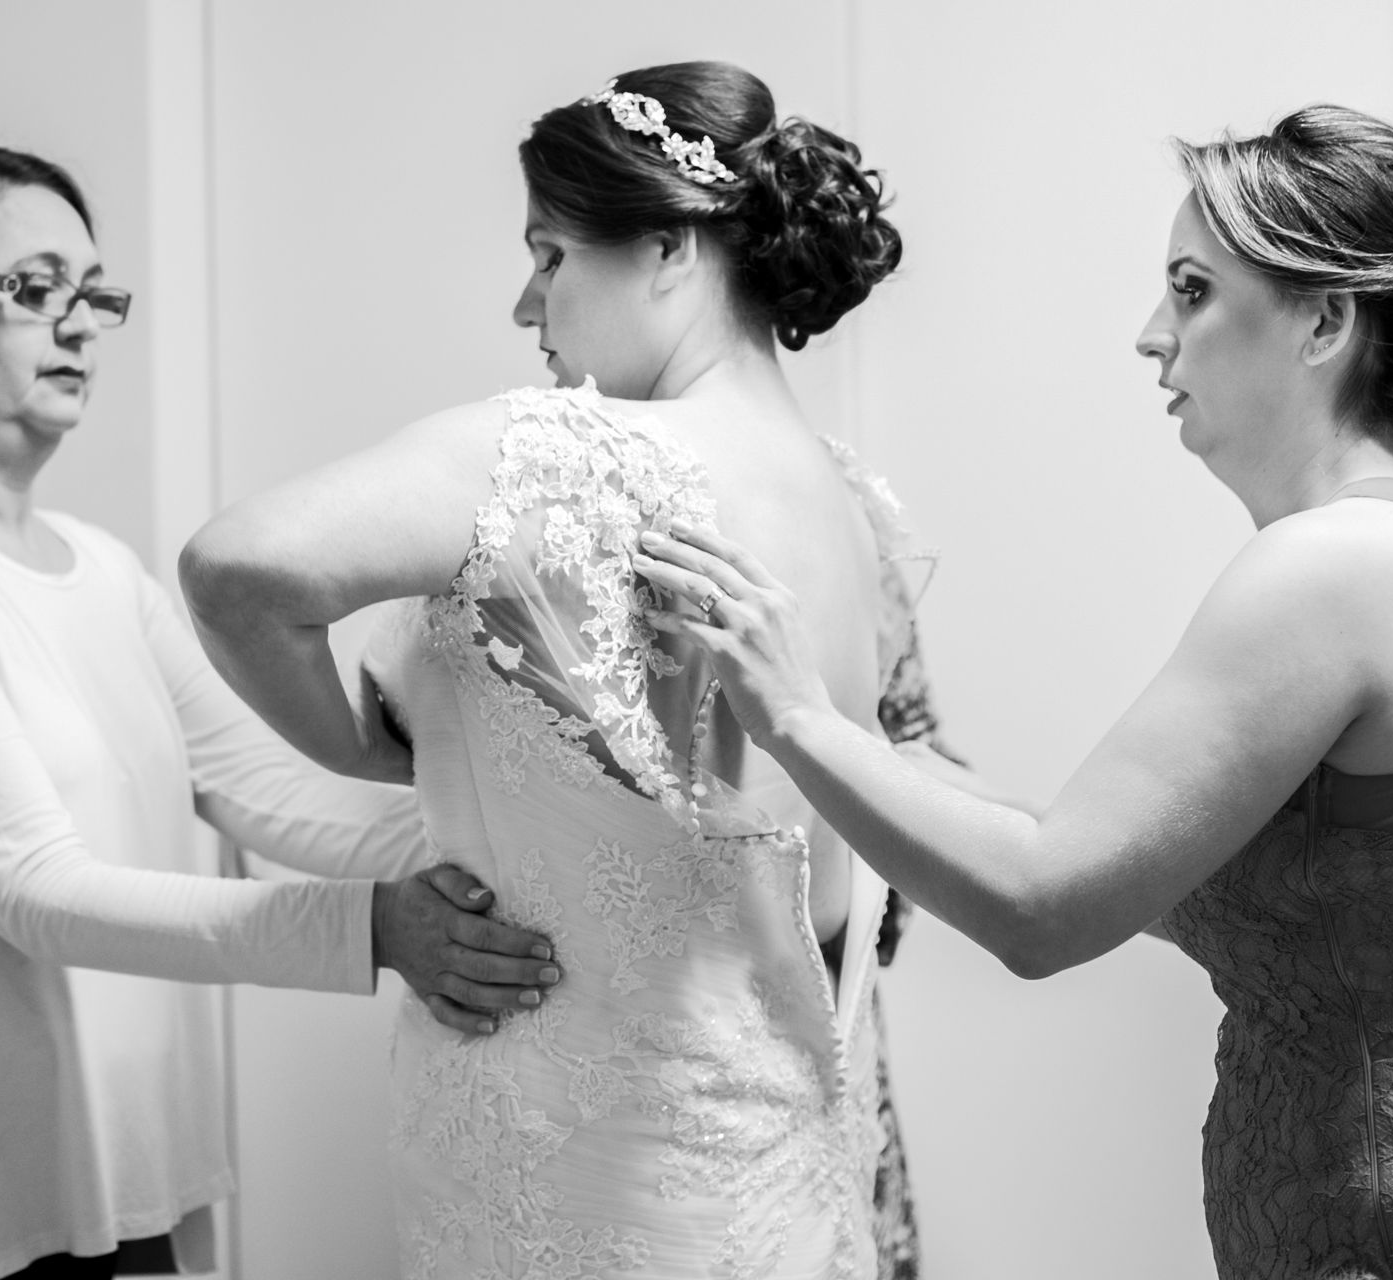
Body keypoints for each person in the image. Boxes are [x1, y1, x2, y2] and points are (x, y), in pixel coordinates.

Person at [635, 105, 1393, 1277]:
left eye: (1193, 291)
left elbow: (1047, 906)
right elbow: (1134, 859)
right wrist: (906, 754)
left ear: (1322, 320)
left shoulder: (1341, 566)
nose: (1152, 336)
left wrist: (796, 714)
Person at [182, 60, 993, 1280]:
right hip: (778, 1174)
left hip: (577, 1181)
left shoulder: (569, 454)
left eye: (552, 252)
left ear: (670, 248)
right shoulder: (850, 504)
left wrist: (354, 746)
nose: (529, 301)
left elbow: (234, 566)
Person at [0, 145, 560, 1280]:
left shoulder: (100, 567)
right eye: (34, 289)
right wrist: (374, 928)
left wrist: (523, 845)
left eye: (93, 294)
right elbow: (35, 886)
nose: (77, 325)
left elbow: (267, 790)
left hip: (127, 1173)